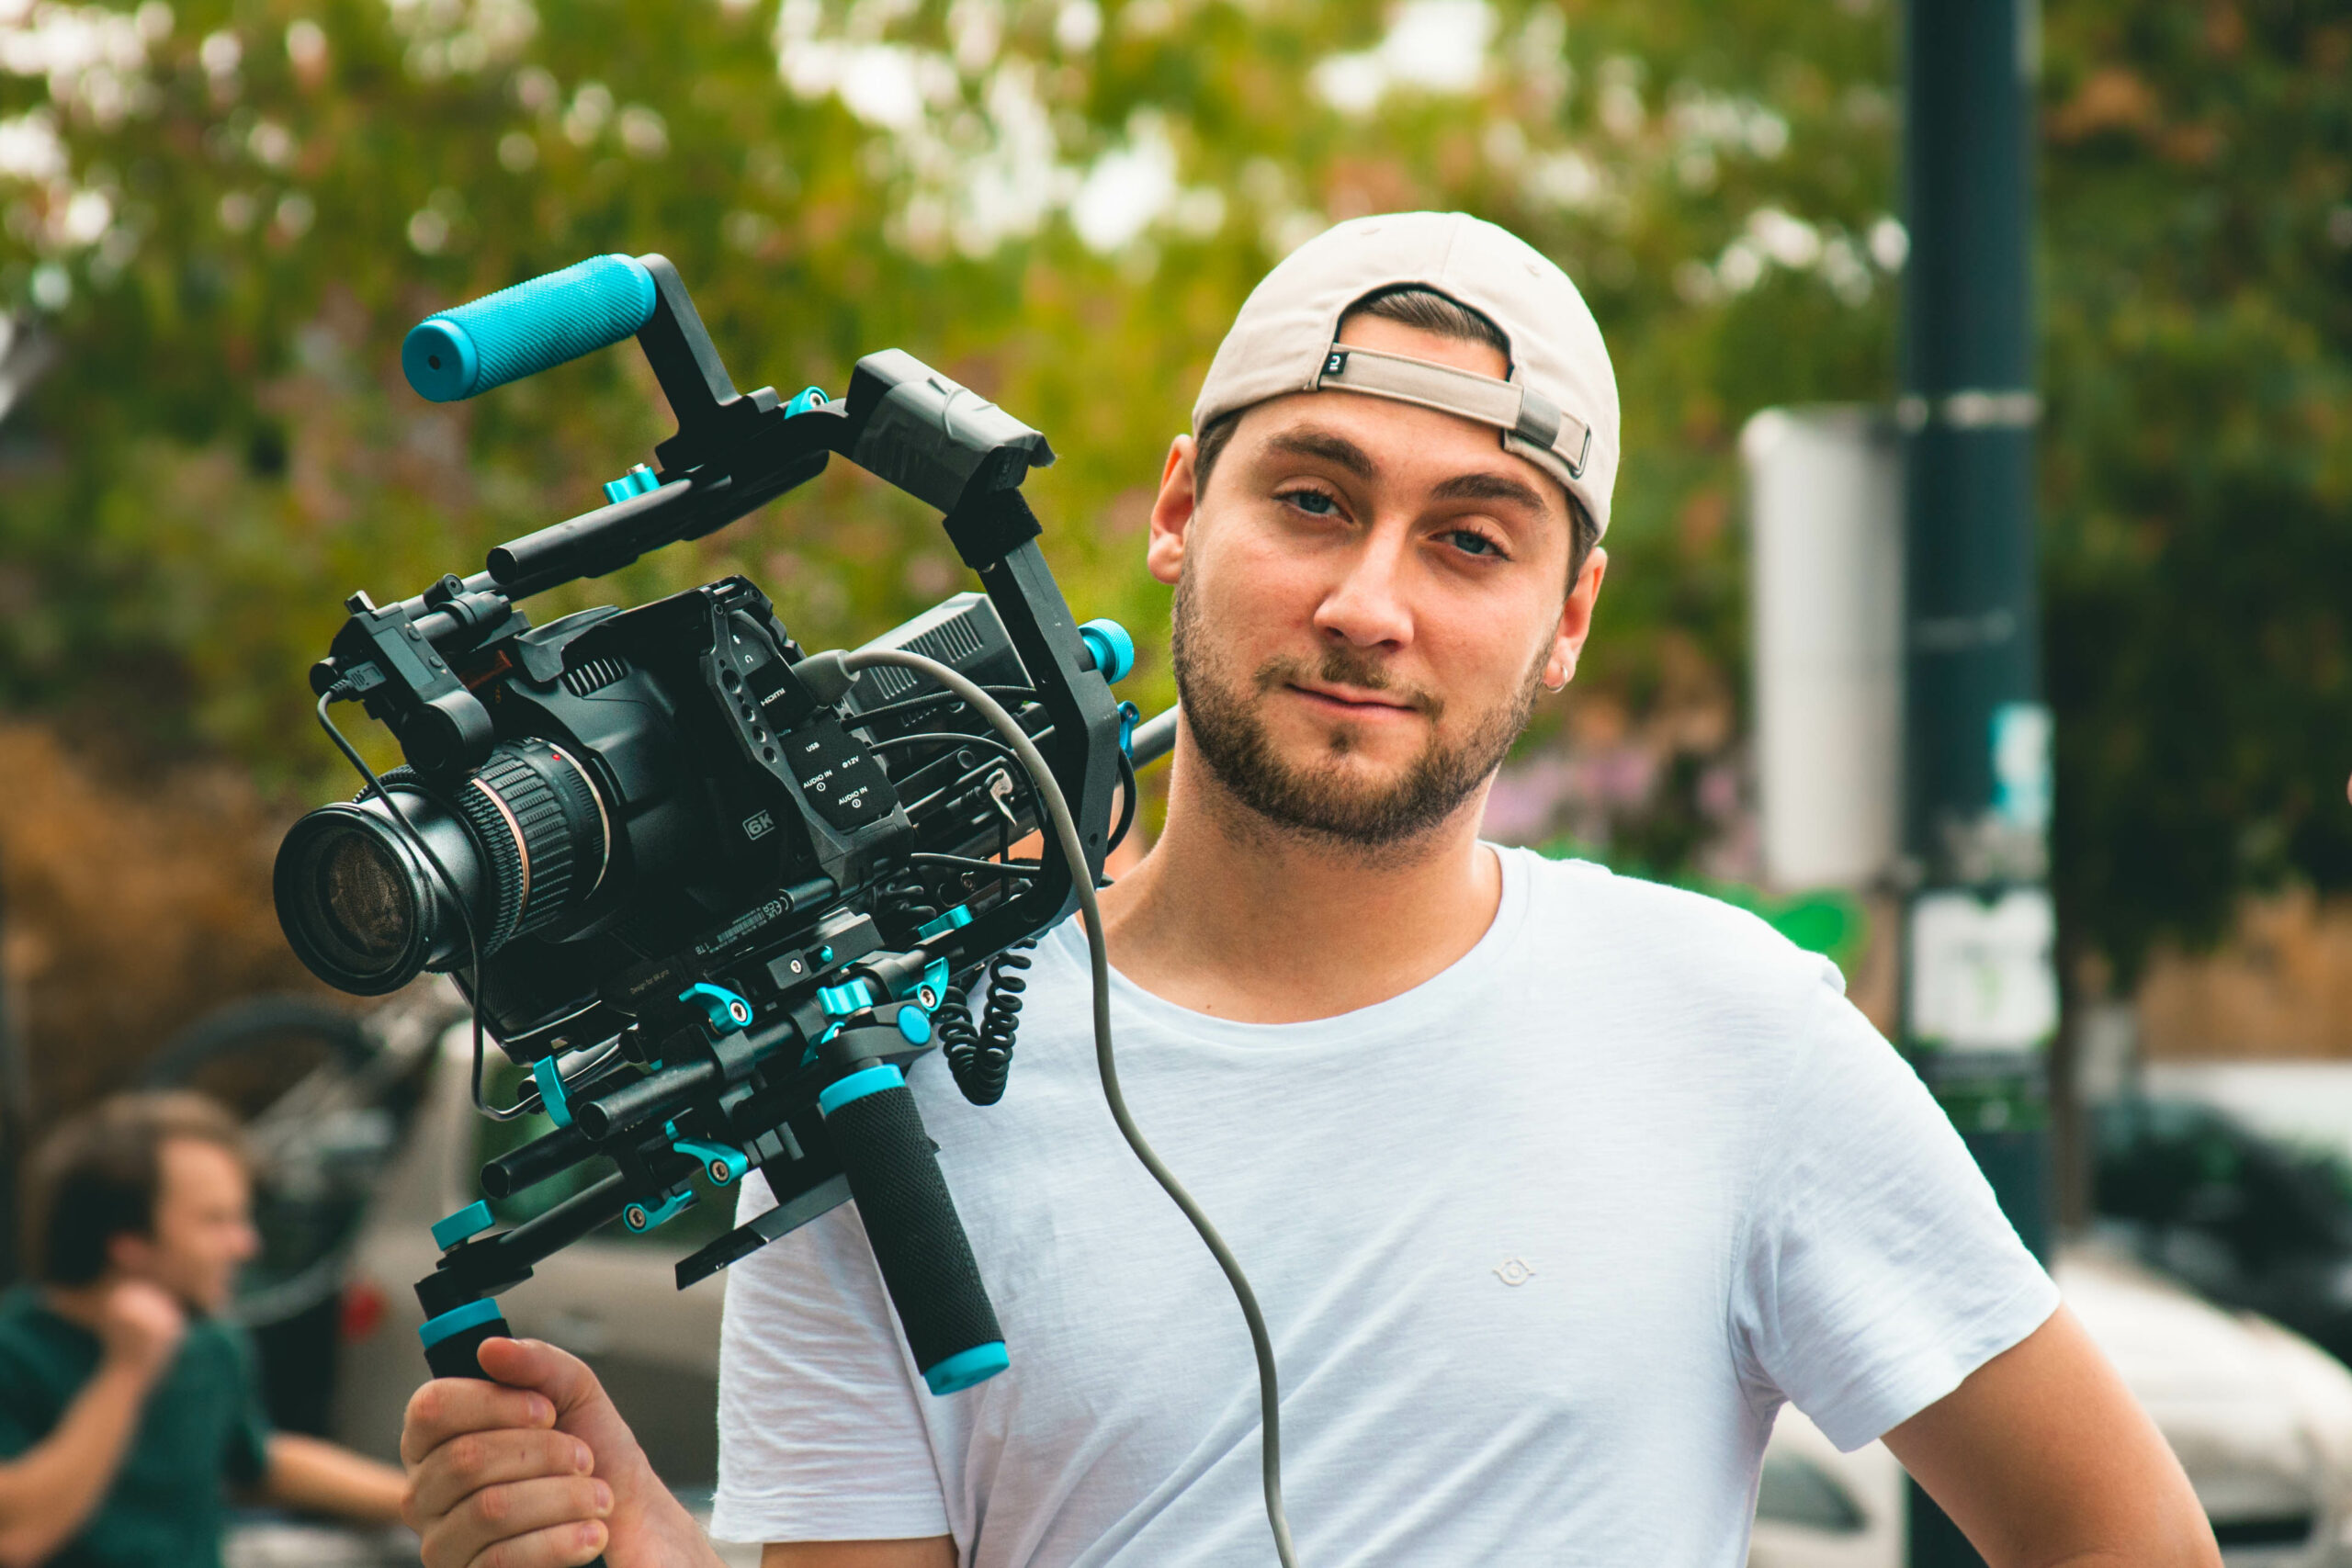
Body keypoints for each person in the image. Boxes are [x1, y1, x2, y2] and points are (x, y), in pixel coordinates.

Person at [398, 212, 2220, 1567]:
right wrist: (649, 1549)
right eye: (1313, 500)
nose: (1370, 600)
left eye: (1469, 540)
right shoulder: (887, 1082)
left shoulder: (1723, 1027)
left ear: (1564, 618)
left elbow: (2124, 1539)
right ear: (1180, 508)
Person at [0, 1089, 410, 1567]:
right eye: (216, 1221)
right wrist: (126, 1370)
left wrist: (421, 1501)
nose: (246, 1245)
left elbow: (255, 1465)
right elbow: (17, 1536)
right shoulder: (15, 1351)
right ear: (127, 1240)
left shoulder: (211, 1343)